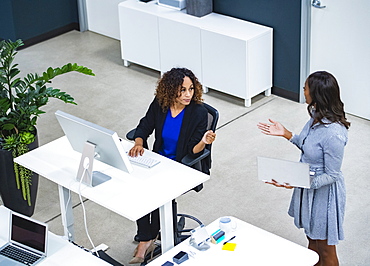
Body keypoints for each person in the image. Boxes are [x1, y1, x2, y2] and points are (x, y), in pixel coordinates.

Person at [257, 71, 350, 266]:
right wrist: (286, 134)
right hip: (308, 188)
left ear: (316, 93)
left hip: (324, 196)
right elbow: (308, 148)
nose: (303, 90)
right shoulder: (316, 117)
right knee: (312, 242)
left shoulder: (334, 134)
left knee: (325, 250)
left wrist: (300, 181)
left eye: (306, 87)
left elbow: (332, 175)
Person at [128, 68, 216, 264]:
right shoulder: (161, 104)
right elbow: (144, 126)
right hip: (158, 160)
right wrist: (139, 142)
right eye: (182, 90)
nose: (188, 94)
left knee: (157, 192)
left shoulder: (199, 113)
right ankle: (148, 236)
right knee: (139, 188)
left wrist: (204, 141)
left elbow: (194, 150)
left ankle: (146, 240)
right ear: (170, 90)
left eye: (191, 89)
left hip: (181, 165)